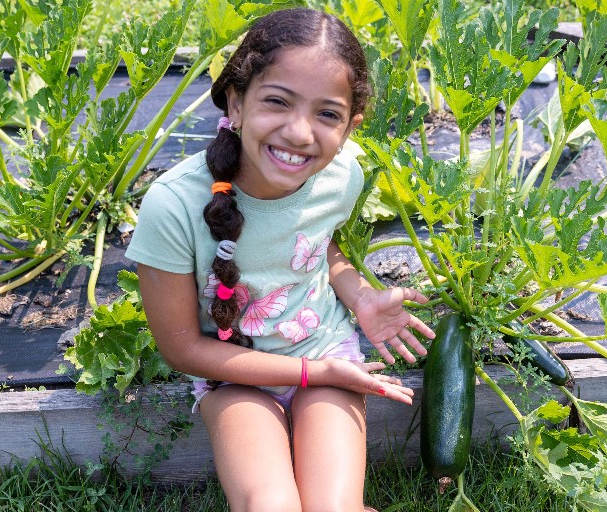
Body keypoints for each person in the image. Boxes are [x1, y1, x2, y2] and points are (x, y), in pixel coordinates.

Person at [126, 7, 435, 512]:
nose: (299, 132)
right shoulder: (173, 204)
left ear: (350, 127)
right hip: (232, 372)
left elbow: (315, 246)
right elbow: (182, 350)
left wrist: (358, 296)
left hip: (323, 347)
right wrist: (318, 373)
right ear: (237, 101)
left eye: (327, 114)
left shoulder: (342, 177)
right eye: (278, 102)